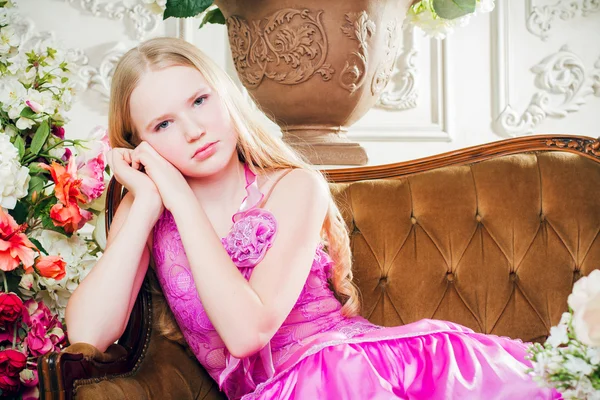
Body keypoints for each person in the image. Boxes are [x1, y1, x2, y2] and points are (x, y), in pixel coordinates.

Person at [64, 37, 560, 400]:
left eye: (200, 101)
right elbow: (87, 333)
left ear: (225, 96)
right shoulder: (150, 204)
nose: (194, 130)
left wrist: (178, 196)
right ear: (139, 144)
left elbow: (247, 333)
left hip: (341, 371)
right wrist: (149, 203)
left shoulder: (294, 186)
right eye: (163, 124)